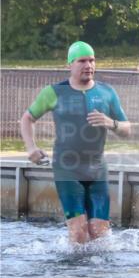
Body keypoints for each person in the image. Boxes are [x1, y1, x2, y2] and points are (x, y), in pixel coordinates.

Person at [20, 41, 132, 245]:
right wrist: (31, 148)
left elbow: (127, 130)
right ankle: (72, 267)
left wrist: (111, 123)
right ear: (70, 64)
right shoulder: (54, 92)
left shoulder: (107, 92)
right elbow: (27, 118)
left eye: (92, 60)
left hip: (97, 169)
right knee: (79, 232)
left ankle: (96, 267)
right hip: (67, 169)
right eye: (82, 61)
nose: (88, 65)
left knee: (100, 234)